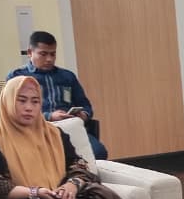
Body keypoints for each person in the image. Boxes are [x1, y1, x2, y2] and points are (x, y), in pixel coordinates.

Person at [7, 31, 109, 160]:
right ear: (30, 53)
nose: (49, 59)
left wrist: (83, 115)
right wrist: (49, 116)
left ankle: (81, 172)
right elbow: (13, 111)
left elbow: (85, 105)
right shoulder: (18, 77)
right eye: (43, 54)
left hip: (70, 128)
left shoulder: (67, 76)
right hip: (37, 129)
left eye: (53, 54)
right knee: (52, 157)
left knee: (99, 152)